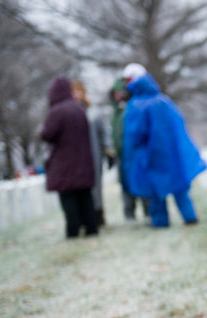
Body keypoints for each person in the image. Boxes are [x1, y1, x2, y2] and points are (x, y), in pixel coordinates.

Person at [122, 70, 206, 227]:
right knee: (179, 186)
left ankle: (160, 221)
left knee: (156, 191)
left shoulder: (137, 105)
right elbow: (179, 125)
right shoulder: (164, 101)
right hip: (171, 153)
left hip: (150, 155)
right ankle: (190, 216)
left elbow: (135, 133)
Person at [40, 77, 98, 238]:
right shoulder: (79, 109)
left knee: (68, 198)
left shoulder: (57, 111)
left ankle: (73, 230)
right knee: (85, 197)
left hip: (64, 163)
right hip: (84, 160)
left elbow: (47, 134)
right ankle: (91, 227)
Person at [111, 69, 150, 220]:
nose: (117, 96)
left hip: (135, 152)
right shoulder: (116, 111)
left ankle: (148, 210)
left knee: (141, 181)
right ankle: (129, 213)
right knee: (125, 184)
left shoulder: (133, 107)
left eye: (119, 92)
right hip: (122, 154)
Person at [71, 80, 110, 226]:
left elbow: (104, 133)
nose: (75, 94)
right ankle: (83, 219)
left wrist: (108, 150)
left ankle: (98, 215)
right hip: (76, 159)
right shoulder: (68, 113)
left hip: (93, 156)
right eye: (73, 91)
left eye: (78, 91)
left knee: (96, 189)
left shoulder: (93, 113)